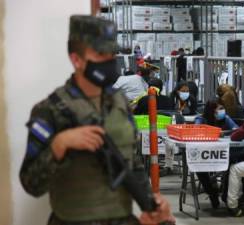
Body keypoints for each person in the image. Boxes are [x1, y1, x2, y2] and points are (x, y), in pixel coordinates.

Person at [19, 15, 174, 225]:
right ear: (76, 59)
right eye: (101, 54)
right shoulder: (50, 110)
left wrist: (152, 204)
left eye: (112, 53)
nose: (109, 61)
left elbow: (133, 163)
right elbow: (31, 184)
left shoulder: (120, 102)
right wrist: (59, 144)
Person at [193, 99, 238, 209]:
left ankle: (225, 193)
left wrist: (226, 132)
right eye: (220, 109)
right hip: (204, 152)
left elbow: (236, 129)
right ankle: (212, 192)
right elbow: (196, 131)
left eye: (223, 108)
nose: (223, 111)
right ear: (211, 110)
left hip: (221, 152)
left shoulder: (225, 118)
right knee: (198, 167)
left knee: (233, 164)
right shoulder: (200, 119)